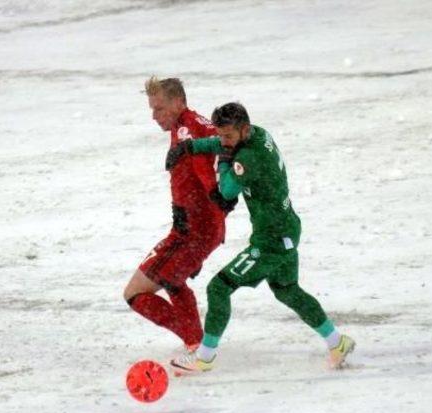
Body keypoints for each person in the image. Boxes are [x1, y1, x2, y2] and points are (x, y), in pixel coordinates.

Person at [168, 102, 355, 373]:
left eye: (228, 137)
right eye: (220, 136)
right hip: (287, 228)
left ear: (244, 130)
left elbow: (226, 192)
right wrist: (190, 147)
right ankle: (337, 342)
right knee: (287, 290)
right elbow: (223, 144)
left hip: (272, 239)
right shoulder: (258, 133)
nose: (223, 142)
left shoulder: (249, 158)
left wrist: (222, 163)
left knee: (219, 288)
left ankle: (204, 358)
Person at [123, 77, 237, 351]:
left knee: (134, 293)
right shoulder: (196, 124)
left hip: (193, 230)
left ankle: (196, 341)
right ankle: (195, 340)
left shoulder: (187, 128)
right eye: (151, 109)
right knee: (173, 281)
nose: (154, 116)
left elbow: (202, 169)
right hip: (200, 228)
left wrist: (213, 202)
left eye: (159, 108)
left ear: (179, 102)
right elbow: (223, 152)